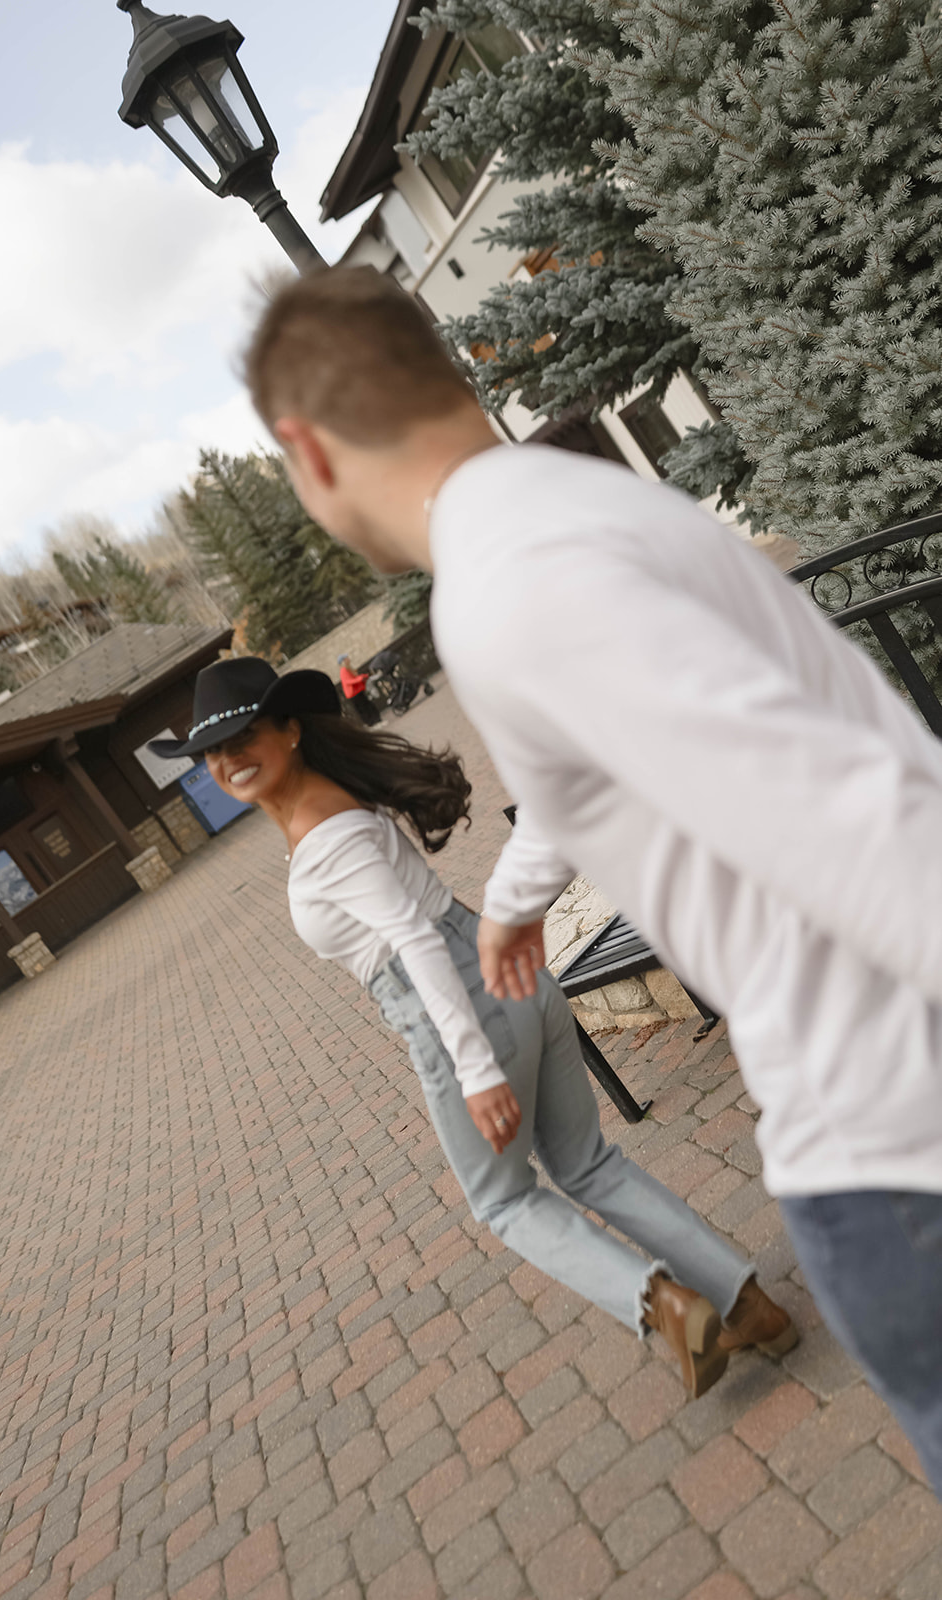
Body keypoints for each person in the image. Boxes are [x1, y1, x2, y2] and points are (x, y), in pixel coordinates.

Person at [242, 265, 942, 1494]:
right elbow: (599, 769)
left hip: (889, 1137)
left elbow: (852, 819)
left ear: (303, 448)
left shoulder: (512, 588)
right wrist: (514, 899)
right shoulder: (578, 509)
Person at [149, 657, 794, 1398]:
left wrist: (475, 1070)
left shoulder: (324, 837)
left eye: (244, 735)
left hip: (457, 1007)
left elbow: (414, 943)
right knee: (585, 1163)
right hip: (509, 982)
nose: (227, 759)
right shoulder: (334, 802)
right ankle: (748, 1308)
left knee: (504, 1201)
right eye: (212, 749)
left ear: (290, 730)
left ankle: (668, 1310)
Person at [338, 653, 380, 725]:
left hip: (358, 691)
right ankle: (371, 722)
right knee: (363, 708)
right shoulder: (343, 670)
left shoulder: (348, 668)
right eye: (346, 658)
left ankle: (376, 720)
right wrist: (360, 679)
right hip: (353, 694)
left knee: (367, 705)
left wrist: (363, 676)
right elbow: (348, 681)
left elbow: (354, 678)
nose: (348, 659)